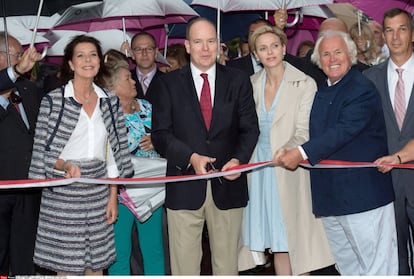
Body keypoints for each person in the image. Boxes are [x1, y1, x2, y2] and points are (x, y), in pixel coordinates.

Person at [275, 30, 398, 275]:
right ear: (318, 60)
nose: (332, 59)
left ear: (350, 55)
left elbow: (341, 132)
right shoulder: (322, 90)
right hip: (331, 200)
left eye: (338, 52)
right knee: (348, 268)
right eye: (326, 54)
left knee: (377, 268)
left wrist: (299, 152)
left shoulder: (360, 88)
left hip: (362, 200)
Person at [150, 17, 259, 275]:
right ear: (187, 46)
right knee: (184, 268)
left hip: (229, 185)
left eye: (211, 41)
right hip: (184, 183)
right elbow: (160, 135)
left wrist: (239, 159)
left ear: (219, 45)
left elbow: (250, 128)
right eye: (198, 42)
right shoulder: (168, 84)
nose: (206, 48)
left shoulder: (238, 80)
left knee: (227, 267)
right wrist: (191, 157)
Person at [28, 35, 134, 275]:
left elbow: (115, 154)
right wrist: (64, 165)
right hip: (63, 193)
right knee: (68, 268)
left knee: (97, 267)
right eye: (80, 55)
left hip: (98, 192)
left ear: (99, 62)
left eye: (93, 54)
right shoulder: (54, 102)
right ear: (71, 64)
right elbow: (41, 152)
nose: (88, 60)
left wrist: (112, 196)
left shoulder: (111, 102)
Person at [244, 25, 335, 275]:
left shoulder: (305, 83)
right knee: (277, 245)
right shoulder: (250, 84)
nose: (270, 52)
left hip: (289, 168)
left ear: (284, 48)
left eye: (274, 46)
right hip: (258, 171)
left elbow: (305, 131)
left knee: (294, 240)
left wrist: (286, 150)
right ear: (255, 54)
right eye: (263, 48)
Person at [100, 49, 166, 275]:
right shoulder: (104, 114)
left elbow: (165, 137)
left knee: (154, 250)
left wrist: (157, 141)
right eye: (127, 78)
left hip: (151, 190)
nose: (133, 80)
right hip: (120, 193)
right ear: (113, 88)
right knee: (119, 254)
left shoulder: (147, 107)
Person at [363, 8, 414, 275]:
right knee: (394, 254)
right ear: (383, 35)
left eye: (402, 29)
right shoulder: (369, 79)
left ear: (413, 34)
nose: (395, 37)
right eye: (390, 30)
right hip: (385, 182)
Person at [0, 32, 43, 276]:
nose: (23, 60)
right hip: (1, 185)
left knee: (26, 250)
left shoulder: (28, 88)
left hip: (29, 185)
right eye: (17, 55)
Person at [122, 32, 164, 104]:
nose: (144, 53)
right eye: (138, 49)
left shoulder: (168, 81)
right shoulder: (124, 81)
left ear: (156, 52)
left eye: (149, 49)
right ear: (132, 54)